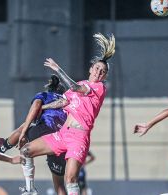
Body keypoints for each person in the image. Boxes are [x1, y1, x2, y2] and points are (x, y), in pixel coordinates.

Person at [18, 32, 115, 195]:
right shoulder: (81, 84)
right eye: (97, 67)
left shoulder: (99, 88)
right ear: (91, 68)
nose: (99, 71)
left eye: (103, 71)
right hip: (63, 134)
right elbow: (63, 101)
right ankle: (30, 189)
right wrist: (43, 108)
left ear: (104, 76)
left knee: (70, 179)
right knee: (26, 151)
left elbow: (76, 89)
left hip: (79, 138)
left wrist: (57, 69)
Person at [0, 74, 68, 195]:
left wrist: (24, 132)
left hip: (46, 128)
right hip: (62, 139)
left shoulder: (45, 95)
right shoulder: (67, 102)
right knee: (59, 184)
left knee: (24, 128)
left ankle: (3, 148)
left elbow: (36, 106)